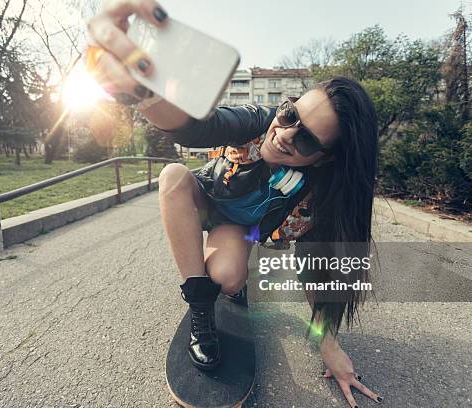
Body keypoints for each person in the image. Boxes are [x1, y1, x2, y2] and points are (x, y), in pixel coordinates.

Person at [87, 1, 383, 406]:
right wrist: (139, 89)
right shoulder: (258, 121)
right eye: (290, 114)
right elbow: (197, 127)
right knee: (173, 176)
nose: (285, 135)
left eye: (307, 139)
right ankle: (200, 311)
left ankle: (227, 280)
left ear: (326, 157)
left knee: (228, 277)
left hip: (237, 227)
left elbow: (316, 271)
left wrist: (326, 342)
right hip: (202, 198)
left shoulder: (315, 197)